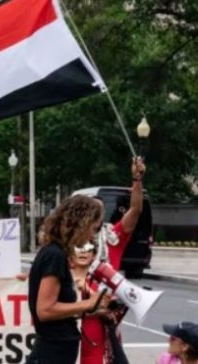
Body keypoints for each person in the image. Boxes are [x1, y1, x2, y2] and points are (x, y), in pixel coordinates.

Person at [75, 156, 146, 364]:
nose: (99, 215)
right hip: (80, 315)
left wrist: (137, 181)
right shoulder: (68, 245)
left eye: (100, 211)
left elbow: (135, 210)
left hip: (105, 318)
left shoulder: (112, 237)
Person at [27, 194, 111, 364]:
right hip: (52, 353)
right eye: (91, 228)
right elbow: (45, 310)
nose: (91, 236)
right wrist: (87, 303)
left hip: (55, 351)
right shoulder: (54, 256)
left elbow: (59, 309)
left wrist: (93, 308)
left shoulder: (55, 253)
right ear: (80, 224)